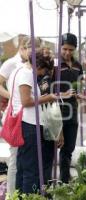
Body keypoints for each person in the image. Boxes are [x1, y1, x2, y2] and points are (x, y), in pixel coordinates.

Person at [8, 50, 67, 194]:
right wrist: (50, 97)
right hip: (30, 126)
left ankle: (21, 195)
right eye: (43, 70)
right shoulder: (27, 74)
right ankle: (28, 196)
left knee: (24, 167)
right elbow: (26, 101)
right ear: (38, 65)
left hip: (28, 124)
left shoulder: (20, 71)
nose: (42, 74)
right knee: (31, 169)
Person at [0, 36, 41, 196]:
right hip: (15, 117)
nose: (34, 52)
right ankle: (11, 194)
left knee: (21, 160)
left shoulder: (31, 65)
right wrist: (12, 95)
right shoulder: (11, 63)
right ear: (23, 48)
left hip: (22, 116)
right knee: (15, 160)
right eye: (32, 48)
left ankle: (17, 193)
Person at [55, 33, 83, 183]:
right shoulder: (54, 64)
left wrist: (80, 94)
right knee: (52, 147)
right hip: (56, 111)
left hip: (72, 111)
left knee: (68, 148)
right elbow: (47, 91)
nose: (67, 52)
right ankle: (47, 182)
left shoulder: (78, 65)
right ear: (60, 47)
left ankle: (64, 180)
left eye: (71, 49)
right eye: (65, 49)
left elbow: (79, 84)